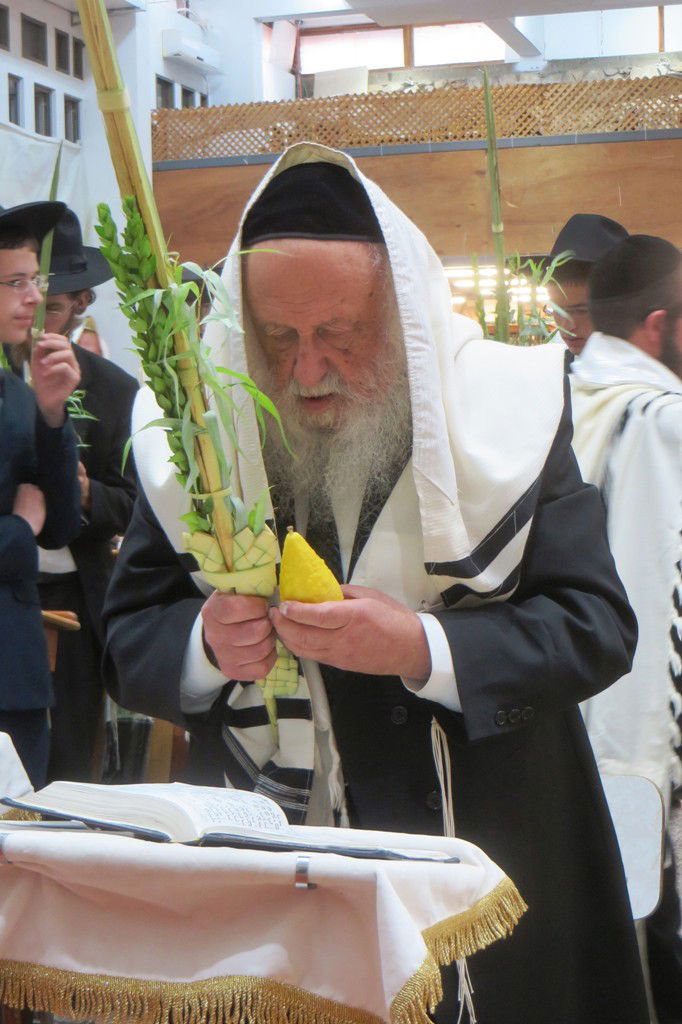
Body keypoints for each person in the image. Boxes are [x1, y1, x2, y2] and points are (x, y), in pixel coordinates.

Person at [104, 145, 648, 1024]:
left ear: (402, 321)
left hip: (488, 842)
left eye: (339, 337)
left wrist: (424, 647)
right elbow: (129, 637)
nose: (306, 373)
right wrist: (206, 646)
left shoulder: (502, 409)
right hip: (271, 868)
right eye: (277, 339)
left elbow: (595, 626)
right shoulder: (197, 431)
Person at [571, 233, 682, 1024]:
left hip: (577, 711)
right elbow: (653, 588)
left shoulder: (570, 391)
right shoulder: (655, 418)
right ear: (656, 323)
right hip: (644, 725)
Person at [37, 207, 138, 782]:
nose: (33, 321)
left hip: (76, 595)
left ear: (81, 305)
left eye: (49, 306)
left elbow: (134, 503)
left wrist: (83, 494)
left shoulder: (114, 390)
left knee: (71, 760)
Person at [0, 200, 81, 787]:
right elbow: (33, 525)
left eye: (37, 281)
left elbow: (61, 524)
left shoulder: (16, 392)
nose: (34, 298)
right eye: (16, 282)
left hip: (16, 670)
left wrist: (53, 415)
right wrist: (16, 531)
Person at [546, 213, 629, 356]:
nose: (567, 327)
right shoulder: (551, 363)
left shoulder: (654, 369)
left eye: (582, 310)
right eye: (557, 311)